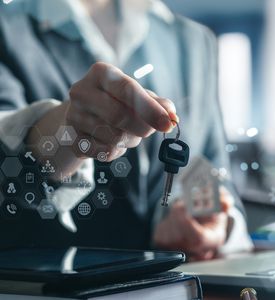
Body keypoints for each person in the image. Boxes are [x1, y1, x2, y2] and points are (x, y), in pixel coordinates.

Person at [0, 0, 252, 260]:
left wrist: (218, 224)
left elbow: (215, 173)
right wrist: (69, 134)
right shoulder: (8, 25)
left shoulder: (194, 41)